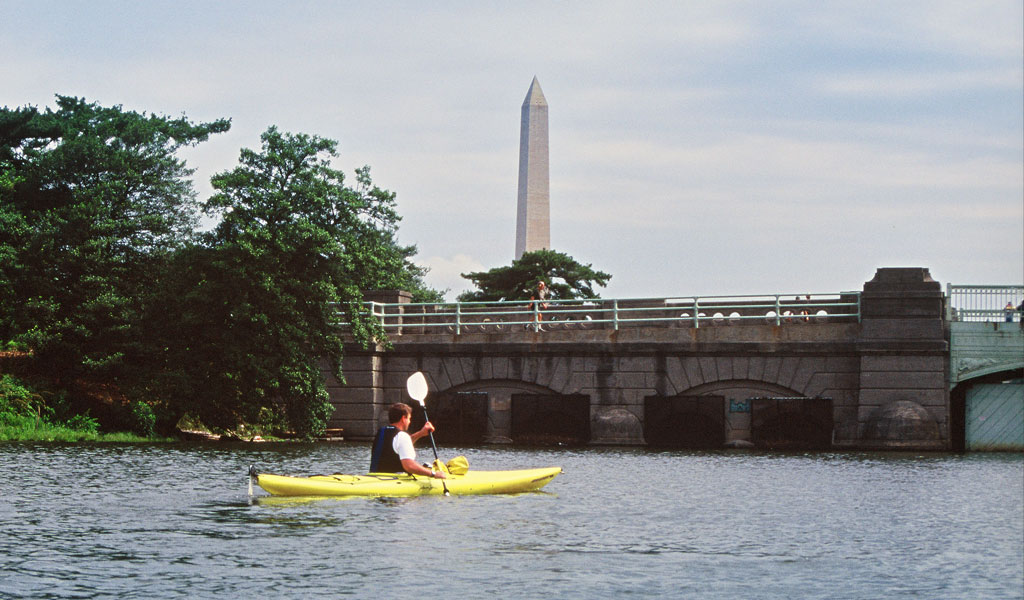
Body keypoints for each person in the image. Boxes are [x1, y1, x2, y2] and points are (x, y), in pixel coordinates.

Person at [369, 402, 447, 479]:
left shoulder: (381, 432)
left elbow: (399, 447)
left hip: (374, 478)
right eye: (409, 418)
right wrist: (433, 474)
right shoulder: (402, 436)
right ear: (403, 418)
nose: (409, 422)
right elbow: (409, 466)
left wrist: (421, 433)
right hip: (394, 481)